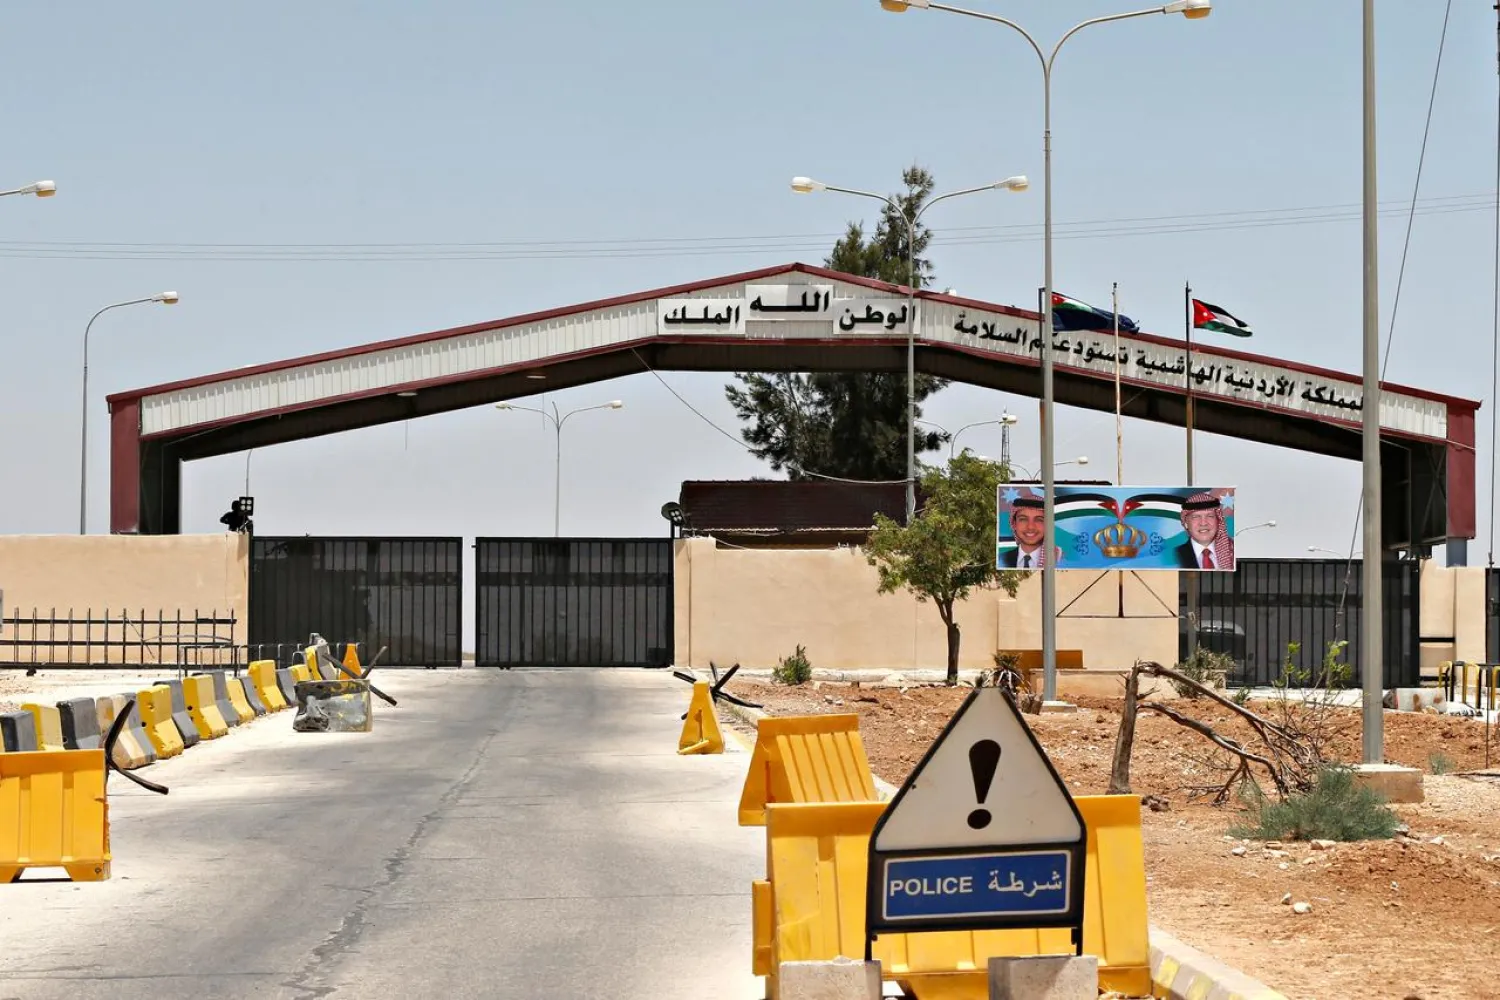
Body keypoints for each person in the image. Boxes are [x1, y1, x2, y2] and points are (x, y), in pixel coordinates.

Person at [1173, 492, 1233, 570]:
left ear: (1218, 521)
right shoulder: (1176, 555)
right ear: (1186, 523)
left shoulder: (1232, 550)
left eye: (1210, 516)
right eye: (1196, 517)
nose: (1203, 523)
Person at [1000, 494, 1059, 568]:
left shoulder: (1059, 559)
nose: (1030, 527)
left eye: (1039, 520)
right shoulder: (1002, 559)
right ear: (1014, 524)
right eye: (1023, 519)